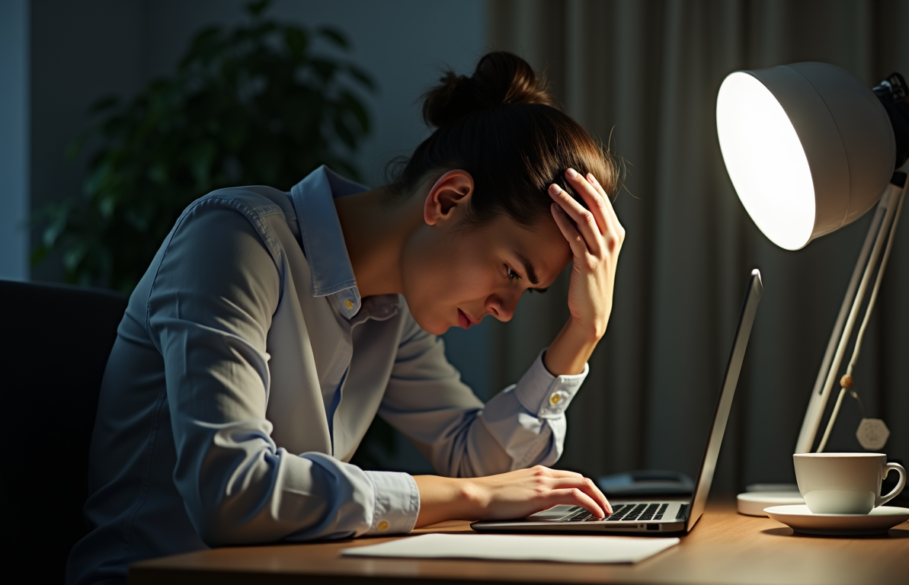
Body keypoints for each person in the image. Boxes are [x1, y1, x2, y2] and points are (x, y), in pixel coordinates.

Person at [67, 51, 625, 584]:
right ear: (448, 199)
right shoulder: (233, 240)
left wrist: (583, 333)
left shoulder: (392, 310)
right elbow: (230, 491)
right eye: (511, 271)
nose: (504, 310)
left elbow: (475, 458)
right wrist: (470, 497)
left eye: (528, 290)